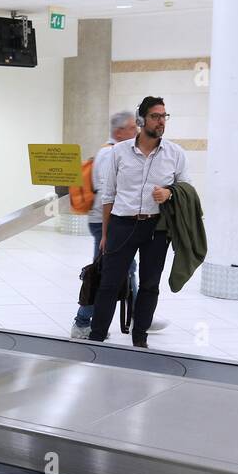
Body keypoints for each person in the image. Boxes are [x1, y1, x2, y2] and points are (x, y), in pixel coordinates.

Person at [89, 96, 189, 348]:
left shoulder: (175, 153)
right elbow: (108, 193)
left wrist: (170, 192)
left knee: (149, 285)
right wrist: (105, 234)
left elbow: (186, 189)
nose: (161, 122)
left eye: (164, 116)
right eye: (156, 116)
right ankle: (96, 337)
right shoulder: (119, 152)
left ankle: (140, 339)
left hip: (157, 228)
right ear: (142, 120)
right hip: (122, 224)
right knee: (109, 284)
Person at [71, 111, 138, 339]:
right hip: (105, 222)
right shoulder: (109, 153)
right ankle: (81, 322)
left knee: (129, 270)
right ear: (119, 132)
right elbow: (110, 190)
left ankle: (138, 315)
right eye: (132, 127)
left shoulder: (117, 151)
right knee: (101, 274)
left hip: (112, 221)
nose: (136, 130)